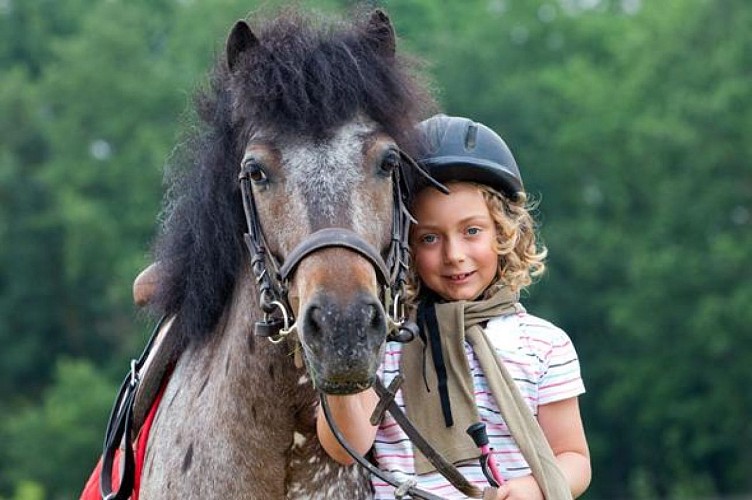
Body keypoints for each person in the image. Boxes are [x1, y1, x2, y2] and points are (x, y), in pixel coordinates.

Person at [317, 115, 591, 499]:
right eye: (429, 238)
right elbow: (346, 447)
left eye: (472, 231)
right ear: (405, 246)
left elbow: (573, 455)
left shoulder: (544, 345)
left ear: (504, 232)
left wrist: (534, 488)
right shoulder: (383, 344)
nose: (454, 255)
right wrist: (341, 355)